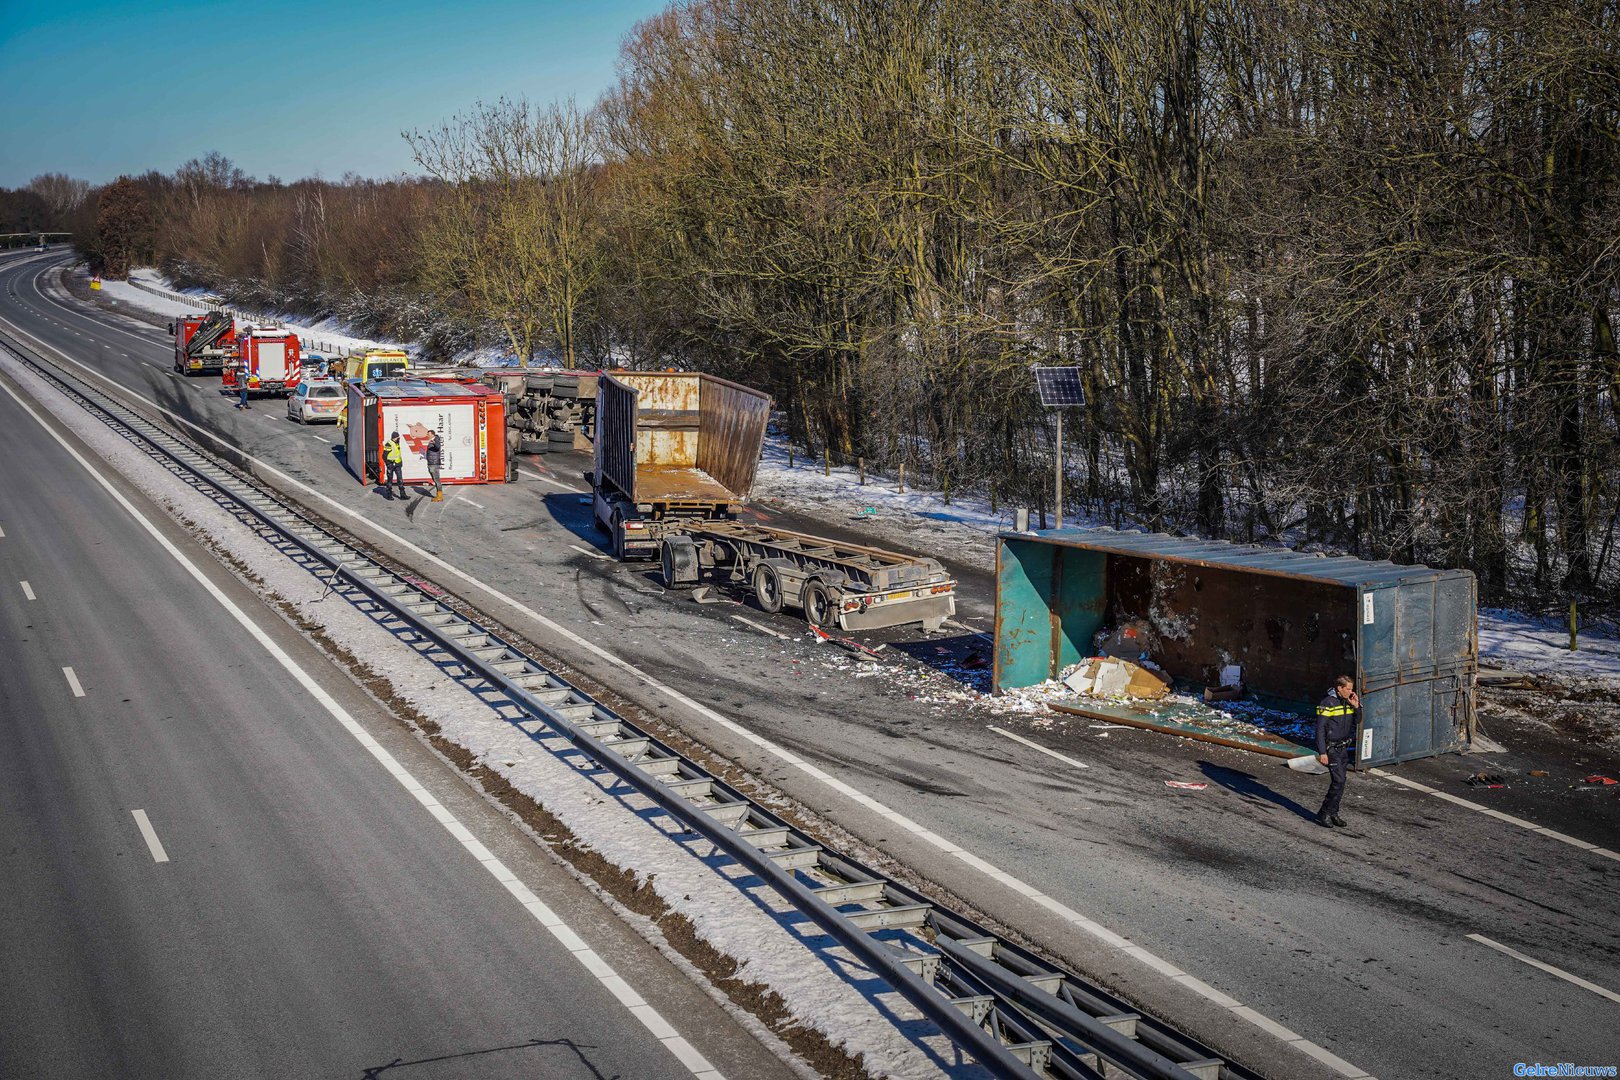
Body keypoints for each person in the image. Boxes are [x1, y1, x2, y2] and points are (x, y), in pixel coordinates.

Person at [1314, 674, 1360, 827]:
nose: (1351, 692)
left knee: (1342, 782)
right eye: (1348, 689)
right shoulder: (1328, 703)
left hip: (1343, 748)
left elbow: (1358, 720)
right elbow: (1320, 729)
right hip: (1331, 748)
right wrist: (1322, 752)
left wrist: (1356, 706)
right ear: (1339, 688)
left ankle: (1333, 812)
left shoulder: (1348, 702)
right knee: (1338, 781)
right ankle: (1324, 812)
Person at [383, 432, 405, 499]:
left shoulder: (397, 443)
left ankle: (403, 494)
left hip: (397, 464)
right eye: (397, 438)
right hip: (391, 464)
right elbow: (384, 455)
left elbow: (397, 454)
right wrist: (388, 463)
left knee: (400, 479)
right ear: (394, 437)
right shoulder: (389, 444)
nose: (398, 439)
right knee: (390, 480)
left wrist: (400, 463)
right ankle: (389, 495)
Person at [424, 430, 444, 501]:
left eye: (428, 434)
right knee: (435, 479)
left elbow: (438, 447)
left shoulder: (436, 440)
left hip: (434, 463)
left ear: (432, 434)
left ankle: (439, 496)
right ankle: (439, 495)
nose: (427, 435)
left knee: (437, 479)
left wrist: (434, 443)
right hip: (431, 463)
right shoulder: (432, 440)